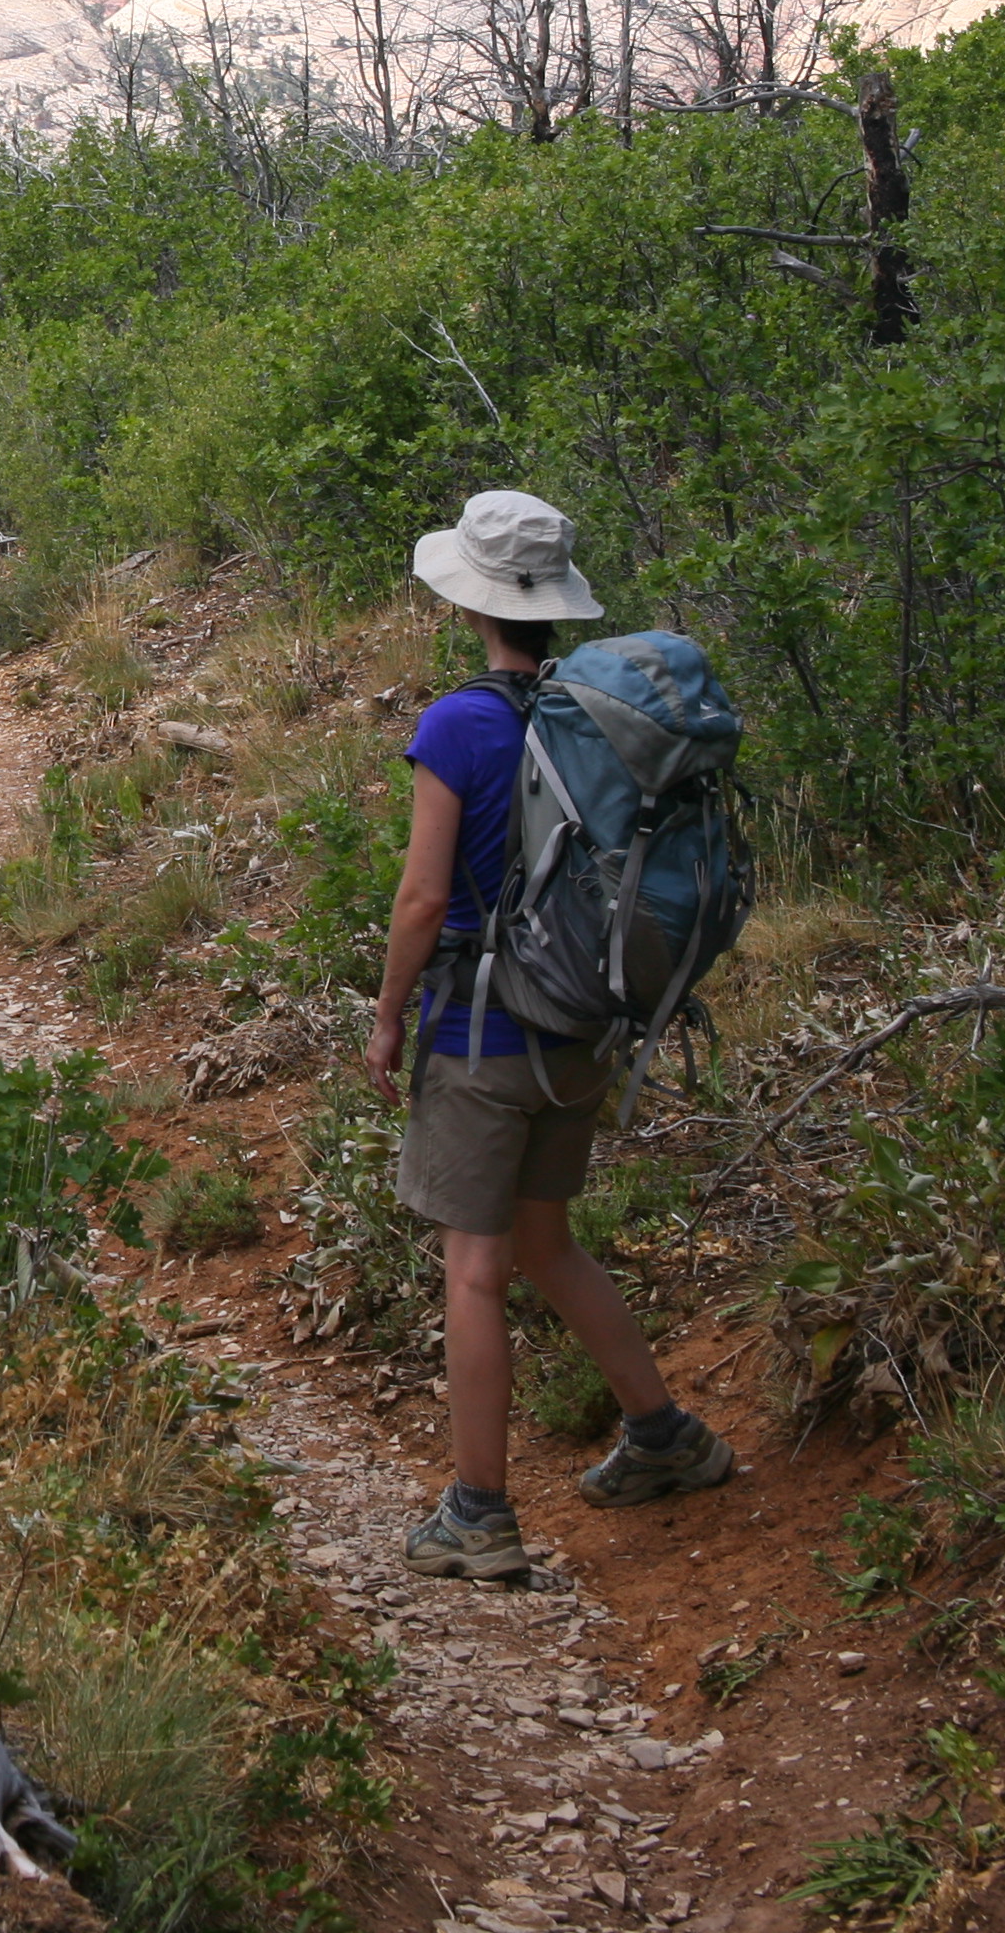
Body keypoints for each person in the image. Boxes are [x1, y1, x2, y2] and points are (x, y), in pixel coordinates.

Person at [365, 488, 734, 1579]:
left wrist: (388, 1017)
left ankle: (478, 1511)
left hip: (480, 1032)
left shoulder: (461, 724)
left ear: (468, 598)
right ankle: (666, 1434)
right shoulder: (592, 721)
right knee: (546, 1242)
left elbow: (422, 900)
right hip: (580, 1021)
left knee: (474, 1267)